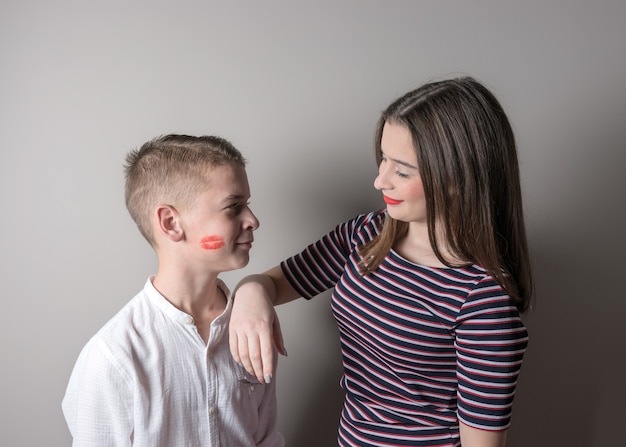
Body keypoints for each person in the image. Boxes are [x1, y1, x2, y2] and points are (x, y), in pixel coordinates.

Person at [229, 77, 533, 447]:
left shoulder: (483, 302)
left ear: (458, 179)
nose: (379, 181)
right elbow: (272, 283)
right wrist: (249, 297)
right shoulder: (365, 234)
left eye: (402, 171)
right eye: (383, 159)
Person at [62, 134, 284, 447]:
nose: (253, 220)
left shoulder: (252, 326)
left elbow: (265, 439)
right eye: (233, 207)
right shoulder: (113, 356)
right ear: (171, 223)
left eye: (247, 205)